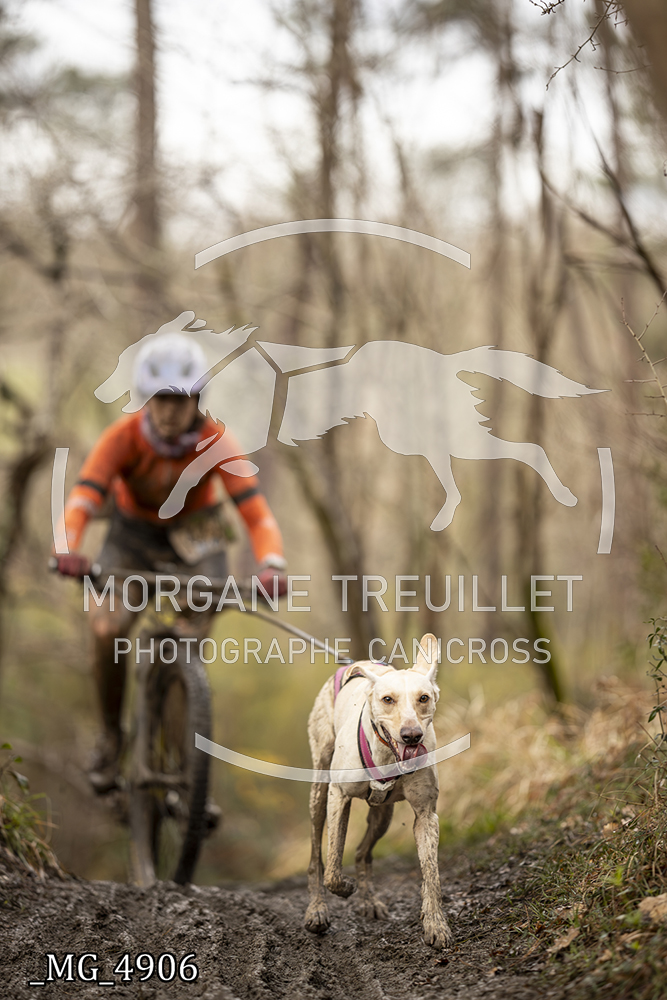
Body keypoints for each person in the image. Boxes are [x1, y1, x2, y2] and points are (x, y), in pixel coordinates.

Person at [54, 333, 287, 793]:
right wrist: (67, 546)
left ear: (197, 400)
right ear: (146, 399)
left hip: (197, 539)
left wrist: (272, 564)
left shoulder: (217, 440)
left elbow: (257, 514)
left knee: (188, 641)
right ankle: (111, 736)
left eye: (180, 400)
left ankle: (187, 775)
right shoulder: (121, 438)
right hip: (132, 538)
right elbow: (84, 496)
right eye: (160, 399)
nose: (169, 411)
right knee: (106, 628)